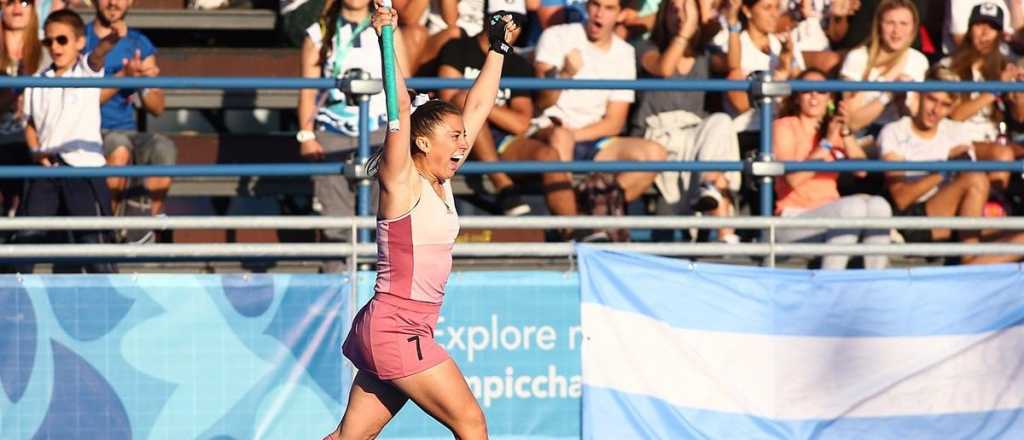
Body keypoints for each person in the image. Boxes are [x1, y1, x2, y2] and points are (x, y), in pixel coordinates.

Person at [322, 6, 520, 440]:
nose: (463, 144)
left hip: (398, 326)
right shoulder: (401, 180)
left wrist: (499, 49)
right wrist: (386, 37)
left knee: (348, 438)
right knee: (471, 423)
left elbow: (480, 104)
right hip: (397, 327)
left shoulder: (439, 175)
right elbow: (400, 111)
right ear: (423, 141)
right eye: (455, 137)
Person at [437, 10, 580, 220]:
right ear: (488, 19)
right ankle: (502, 185)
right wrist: (479, 103)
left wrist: (482, 102)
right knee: (462, 105)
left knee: (549, 156)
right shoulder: (458, 48)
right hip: (457, 137)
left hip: (501, 140)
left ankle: (574, 231)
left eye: (518, 21)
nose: (512, 26)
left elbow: (521, 123)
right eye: (503, 18)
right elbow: (451, 102)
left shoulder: (518, 64)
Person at [298, 0, 408, 272]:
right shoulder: (318, 32)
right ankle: (337, 289)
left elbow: (404, 79)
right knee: (335, 221)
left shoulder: (389, 28)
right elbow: (308, 90)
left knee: (385, 215)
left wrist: (390, 34)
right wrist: (306, 135)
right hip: (332, 132)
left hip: (379, 132)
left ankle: (380, 288)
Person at [531, 0, 668, 216]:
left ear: (621, 14)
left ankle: (591, 208)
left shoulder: (624, 52)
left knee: (656, 154)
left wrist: (574, 134)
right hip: (549, 131)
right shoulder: (556, 35)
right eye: (596, 5)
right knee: (561, 136)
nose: (599, 14)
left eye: (609, 8)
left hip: (593, 140)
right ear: (587, 6)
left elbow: (614, 122)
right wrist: (565, 76)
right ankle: (571, 228)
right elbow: (542, 101)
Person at [880, 66, 1024, 265]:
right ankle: (970, 259)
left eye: (945, 104)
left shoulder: (956, 131)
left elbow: (974, 191)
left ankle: (977, 266)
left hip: (957, 219)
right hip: (915, 221)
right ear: (920, 94)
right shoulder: (894, 131)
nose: (935, 110)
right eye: (931, 99)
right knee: (974, 178)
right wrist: (943, 171)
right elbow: (902, 198)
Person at [21, 9, 123, 273]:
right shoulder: (35, 81)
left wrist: (113, 38)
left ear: (80, 42)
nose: (54, 47)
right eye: (49, 41)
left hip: (83, 170)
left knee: (94, 246)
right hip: (48, 170)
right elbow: (30, 124)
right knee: (24, 240)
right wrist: (35, 151)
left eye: (62, 40)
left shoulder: (85, 70)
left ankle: (114, 307)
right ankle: (14, 307)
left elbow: (99, 55)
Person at [633, 0, 741, 243]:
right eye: (674, 9)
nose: (681, 16)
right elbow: (664, 68)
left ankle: (709, 187)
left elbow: (733, 65)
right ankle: (726, 230)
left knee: (722, 122)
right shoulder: (646, 48)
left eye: (686, 9)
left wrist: (733, 23)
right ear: (662, 14)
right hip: (659, 137)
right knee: (715, 160)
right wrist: (686, 31)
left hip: (693, 136)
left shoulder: (703, 53)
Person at [773, 69, 892, 269]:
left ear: (829, 98)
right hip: (793, 217)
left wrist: (845, 131)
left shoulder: (833, 130)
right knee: (852, 208)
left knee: (880, 206)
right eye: (807, 91)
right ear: (796, 98)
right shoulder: (784, 126)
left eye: (821, 91)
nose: (814, 97)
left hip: (833, 215)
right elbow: (793, 179)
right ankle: (830, 284)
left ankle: (875, 282)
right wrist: (826, 144)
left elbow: (861, 171)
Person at [86, 0, 176, 244]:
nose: (114, 3)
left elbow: (158, 108)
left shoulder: (139, 43)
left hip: (129, 132)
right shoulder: (80, 39)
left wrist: (143, 84)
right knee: (118, 146)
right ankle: (105, 235)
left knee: (164, 148)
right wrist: (122, 77)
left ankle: (143, 231)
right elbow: (83, 101)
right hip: (90, 132)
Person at [942, 2, 1021, 196]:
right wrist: (996, 89)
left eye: (992, 28)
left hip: (995, 139)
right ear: (969, 30)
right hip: (960, 141)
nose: (984, 33)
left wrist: (1018, 93)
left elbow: (1020, 118)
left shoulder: (1006, 67)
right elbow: (956, 115)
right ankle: (994, 207)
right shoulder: (948, 67)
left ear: (1000, 35)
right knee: (1002, 155)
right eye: (979, 25)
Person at [838, 0, 929, 135]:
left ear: (913, 28)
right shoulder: (858, 57)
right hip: (861, 134)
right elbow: (851, 122)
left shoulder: (919, 61)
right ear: (879, 25)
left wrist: (901, 101)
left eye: (903, 24)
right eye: (890, 23)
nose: (896, 31)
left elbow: (916, 120)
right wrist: (888, 94)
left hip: (899, 136)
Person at [0, 0, 48, 222]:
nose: (17, 8)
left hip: (36, 137)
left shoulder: (49, 52)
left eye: (25, 2)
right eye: (10, 2)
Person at [718, 0, 805, 118]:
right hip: (746, 128)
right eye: (767, 8)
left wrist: (787, 62)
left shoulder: (784, 44)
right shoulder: (732, 43)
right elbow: (739, 102)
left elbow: (803, 88)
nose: (775, 14)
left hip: (779, 126)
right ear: (747, 11)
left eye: (777, 7)